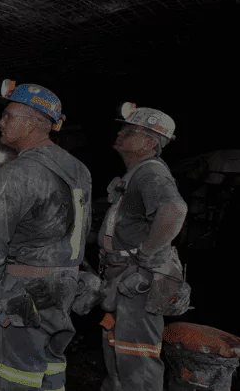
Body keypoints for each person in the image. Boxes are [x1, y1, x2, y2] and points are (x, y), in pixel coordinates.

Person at [0, 80, 92, 390]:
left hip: (25, 289)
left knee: (18, 374)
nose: (1, 122)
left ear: (32, 123)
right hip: (66, 284)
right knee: (52, 363)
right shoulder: (79, 168)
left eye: (9, 116)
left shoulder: (16, 173)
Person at [98, 102, 189, 391]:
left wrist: (146, 255)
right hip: (124, 279)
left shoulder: (151, 173)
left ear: (151, 143)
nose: (121, 134)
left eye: (130, 131)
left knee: (137, 360)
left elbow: (174, 210)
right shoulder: (136, 173)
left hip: (137, 281)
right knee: (119, 352)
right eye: (123, 129)